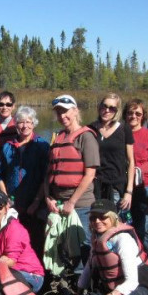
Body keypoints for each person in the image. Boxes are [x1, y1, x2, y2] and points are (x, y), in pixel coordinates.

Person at [72, 199, 148, 295]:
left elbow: (132, 280)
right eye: (93, 217)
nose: (97, 221)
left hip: (139, 287)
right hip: (110, 287)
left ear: (113, 217)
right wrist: (78, 293)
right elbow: (89, 268)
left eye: (102, 217)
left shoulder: (123, 239)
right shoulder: (97, 239)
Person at [44, 94, 100, 268]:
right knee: (61, 246)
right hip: (57, 203)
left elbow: (90, 174)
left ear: (75, 111)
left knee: (83, 247)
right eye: (59, 112)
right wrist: (47, 197)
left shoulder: (86, 137)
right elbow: (48, 173)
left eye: (66, 111)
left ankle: (84, 287)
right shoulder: (58, 137)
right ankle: (65, 282)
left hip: (81, 205)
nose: (62, 116)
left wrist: (72, 202)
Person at [0, 106, 50, 254]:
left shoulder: (42, 145)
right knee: (14, 238)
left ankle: (36, 273)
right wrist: (6, 198)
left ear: (33, 124)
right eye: (20, 122)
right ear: (16, 124)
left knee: (35, 239)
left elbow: (46, 176)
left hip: (35, 202)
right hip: (13, 201)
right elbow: (0, 175)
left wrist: (37, 202)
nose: (24, 126)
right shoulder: (8, 146)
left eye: (28, 122)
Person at [0, 191, 44, 293]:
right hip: (9, 269)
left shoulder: (14, 229)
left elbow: (10, 261)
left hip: (31, 275)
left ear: (6, 208)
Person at [124, 99, 148, 265]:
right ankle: (129, 262)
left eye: (138, 113)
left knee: (142, 229)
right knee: (123, 227)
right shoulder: (119, 132)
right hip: (122, 188)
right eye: (130, 113)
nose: (134, 116)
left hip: (143, 187)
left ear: (143, 116)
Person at [89, 93, 135, 211]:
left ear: (117, 111)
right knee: (96, 222)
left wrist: (129, 192)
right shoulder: (90, 129)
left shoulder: (124, 129)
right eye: (104, 106)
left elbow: (131, 162)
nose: (106, 110)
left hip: (116, 186)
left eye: (112, 108)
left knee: (114, 222)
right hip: (95, 186)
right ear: (99, 107)